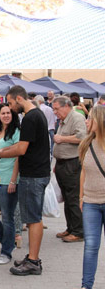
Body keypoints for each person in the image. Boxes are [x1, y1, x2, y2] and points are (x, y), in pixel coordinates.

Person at [0, 86, 51, 277]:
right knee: (33, 218)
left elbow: (21, 149)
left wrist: (0, 154)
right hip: (37, 174)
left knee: (33, 219)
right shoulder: (37, 114)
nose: (10, 107)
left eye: (10, 103)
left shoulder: (30, 117)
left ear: (19, 98)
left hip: (33, 176)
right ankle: (31, 257)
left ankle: (33, 261)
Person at [70, 105, 105, 289]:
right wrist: (81, 197)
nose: (86, 121)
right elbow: (83, 172)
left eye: (90, 118)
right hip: (91, 202)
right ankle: (86, 287)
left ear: (99, 121)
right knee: (91, 245)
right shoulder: (86, 144)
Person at [52, 96, 86, 244]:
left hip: (71, 163)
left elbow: (82, 137)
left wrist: (62, 139)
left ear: (66, 106)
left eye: (56, 109)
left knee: (72, 198)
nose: (55, 112)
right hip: (62, 163)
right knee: (67, 197)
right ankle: (71, 227)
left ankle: (78, 231)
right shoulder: (64, 119)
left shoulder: (76, 117)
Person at [0, 102, 20, 265]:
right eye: (3, 113)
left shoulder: (16, 132)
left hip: (9, 179)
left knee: (7, 217)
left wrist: (14, 179)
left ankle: (6, 252)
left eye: (8, 113)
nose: (6, 115)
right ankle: (7, 244)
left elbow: (18, 157)